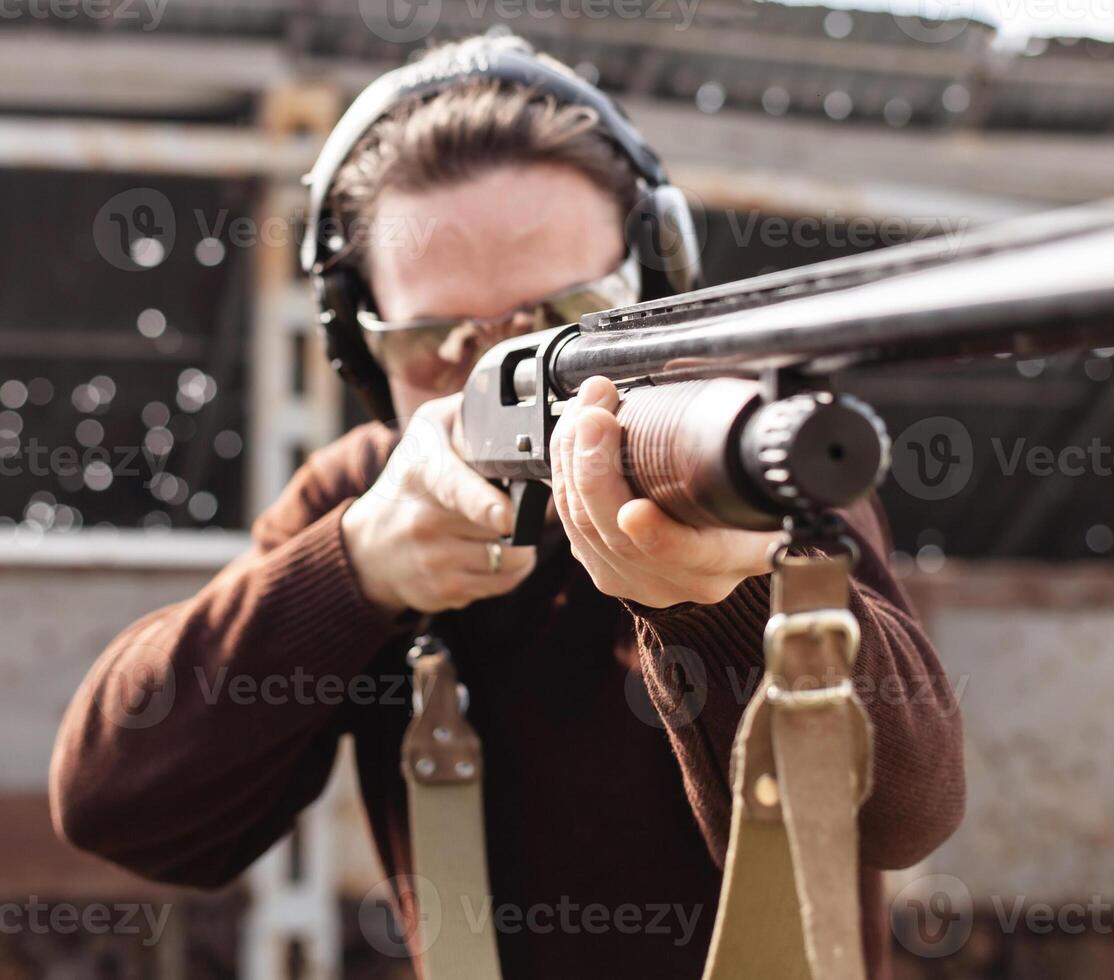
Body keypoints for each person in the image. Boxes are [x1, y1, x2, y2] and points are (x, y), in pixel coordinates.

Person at [49, 33, 965, 978]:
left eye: (563, 313)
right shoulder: (360, 493)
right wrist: (355, 572)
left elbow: (899, 817)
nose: (495, 367)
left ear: (650, 283)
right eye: (435, 340)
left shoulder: (744, 457)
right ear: (363, 353)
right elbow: (117, 809)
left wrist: (720, 597)